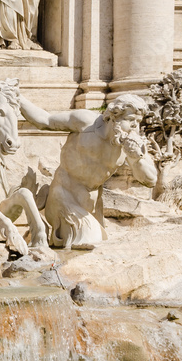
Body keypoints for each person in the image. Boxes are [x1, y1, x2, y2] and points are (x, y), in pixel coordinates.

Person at [19, 94, 156, 249]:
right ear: (113, 117)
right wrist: (18, 99)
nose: (134, 127)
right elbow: (45, 121)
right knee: (90, 241)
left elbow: (150, 180)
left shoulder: (128, 144)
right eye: (130, 120)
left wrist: (137, 159)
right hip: (63, 195)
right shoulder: (85, 122)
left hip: (92, 204)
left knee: (99, 245)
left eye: (138, 122)